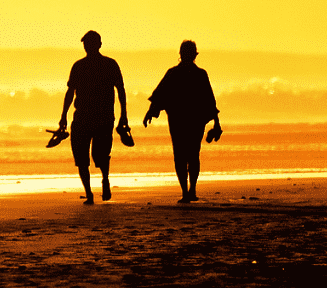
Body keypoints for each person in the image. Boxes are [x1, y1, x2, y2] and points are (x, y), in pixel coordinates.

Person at [55, 30, 129, 205]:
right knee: (82, 157)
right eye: (85, 44)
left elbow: (121, 90)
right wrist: (63, 116)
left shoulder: (105, 65)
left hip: (98, 117)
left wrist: (124, 116)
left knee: (97, 155)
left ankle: (103, 180)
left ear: (98, 45)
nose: (87, 46)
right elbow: (70, 93)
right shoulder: (83, 66)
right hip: (86, 117)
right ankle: (90, 193)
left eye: (89, 43)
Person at [143, 40, 221, 203]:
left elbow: (209, 100)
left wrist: (151, 112)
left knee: (182, 155)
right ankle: (189, 191)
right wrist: (216, 121)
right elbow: (209, 100)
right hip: (193, 121)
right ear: (193, 54)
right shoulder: (194, 74)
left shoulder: (181, 74)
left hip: (181, 121)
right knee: (192, 154)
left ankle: (187, 192)